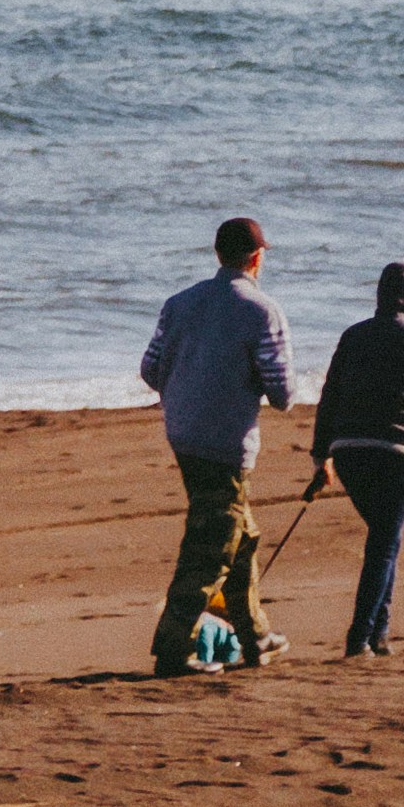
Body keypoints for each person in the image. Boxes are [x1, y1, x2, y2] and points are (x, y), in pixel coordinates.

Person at [140, 215, 293, 674]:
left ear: (217, 254)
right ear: (256, 257)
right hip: (226, 442)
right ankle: (172, 647)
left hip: (184, 435)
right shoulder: (262, 310)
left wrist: (188, 387)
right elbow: (282, 391)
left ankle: (256, 635)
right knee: (213, 546)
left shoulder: (179, 303)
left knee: (241, 534)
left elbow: (150, 370)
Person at [307, 261, 404, 659]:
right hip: (397, 450)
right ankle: (360, 636)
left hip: (348, 449)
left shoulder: (353, 335)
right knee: (384, 543)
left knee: (385, 538)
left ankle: (380, 632)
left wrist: (321, 456)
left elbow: (329, 396)